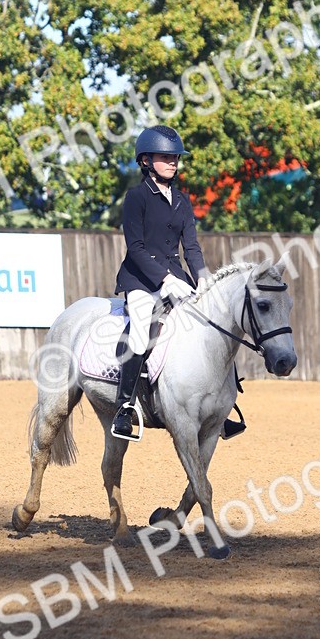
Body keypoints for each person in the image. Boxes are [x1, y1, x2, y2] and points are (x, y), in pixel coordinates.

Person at [111, 124, 208, 439]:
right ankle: (124, 408)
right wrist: (164, 278)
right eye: (165, 157)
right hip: (141, 279)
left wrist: (203, 277)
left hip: (177, 278)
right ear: (145, 161)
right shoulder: (136, 198)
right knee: (141, 329)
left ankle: (217, 402)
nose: (173, 162)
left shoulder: (181, 199)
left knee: (206, 323)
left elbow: (190, 247)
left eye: (175, 157)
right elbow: (135, 249)